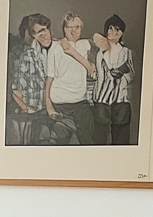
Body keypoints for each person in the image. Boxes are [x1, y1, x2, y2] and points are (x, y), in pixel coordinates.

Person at [9, 14, 70, 145]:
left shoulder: (59, 48)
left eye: (47, 30)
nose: (46, 36)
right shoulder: (29, 57)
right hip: (40, 111)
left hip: (62, 105)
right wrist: (26, 108)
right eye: (40, 34)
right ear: (33, 36)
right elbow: (14, 88)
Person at [43, 12, 96, 145]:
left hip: (80, 101)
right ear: (64, 29)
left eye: (77, 27)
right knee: (60, 142)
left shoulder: (86, 45)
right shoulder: (55, 47)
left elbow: (92, 70)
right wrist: (49, 108)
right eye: (69, 27)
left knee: (87, 141)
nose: (74, 31)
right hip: (61, 103)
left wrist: (72, 52)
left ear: (81, 28)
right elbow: (49, 79)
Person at [92, 15, 135, 145]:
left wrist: (122, 73)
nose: (113, 32)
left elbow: (131, 74)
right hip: (101, 100)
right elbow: (99, 75)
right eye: (110, 29)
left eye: (117, 30)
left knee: (120, 139)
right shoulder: (100, 53)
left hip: (120, 100)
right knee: (99, 138)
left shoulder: (126, 52)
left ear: (121, 33)